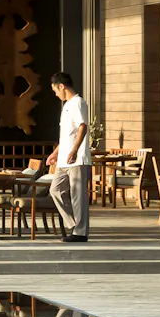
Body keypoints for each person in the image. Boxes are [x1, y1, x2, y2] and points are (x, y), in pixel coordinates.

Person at [48, 70, 90, 243]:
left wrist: (74, 151)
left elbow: (83, 127)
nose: (56, 94)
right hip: (64, 160)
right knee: (55, 190)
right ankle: (74, 225)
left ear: (62, 86)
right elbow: (66, 136)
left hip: (77, 159)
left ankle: (80, 233)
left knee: (77, 196)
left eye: (55, 90)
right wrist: (55, 153)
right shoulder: (66, 106)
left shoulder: (78, 103)